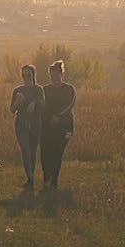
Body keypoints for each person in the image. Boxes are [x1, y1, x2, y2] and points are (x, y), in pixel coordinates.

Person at [40, 60, 77, 188]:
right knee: (45, 152)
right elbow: (42, 107)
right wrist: (49, 117)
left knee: (57, 152)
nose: (54, 77)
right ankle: (46, 177)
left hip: (64, 127)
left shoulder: (69, 90)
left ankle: (54, 180)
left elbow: (70, 105)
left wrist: (58, 117)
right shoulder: (45, 90)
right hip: (47, 127)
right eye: (52, 75)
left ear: (62, 74)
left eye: (57, 74)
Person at [10, 64, 44, 190]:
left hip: (35, 124)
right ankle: (30, 178)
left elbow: (43, 104)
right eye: (24, 75)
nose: (26, 78)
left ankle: (30, 178)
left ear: (33, 75)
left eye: (28, 75)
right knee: (25, 148)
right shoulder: (17, 91)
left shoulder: (38, 90)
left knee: (32, 151)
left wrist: (34, 103)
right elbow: (12, 109)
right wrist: (18, 103)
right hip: (21, 124)